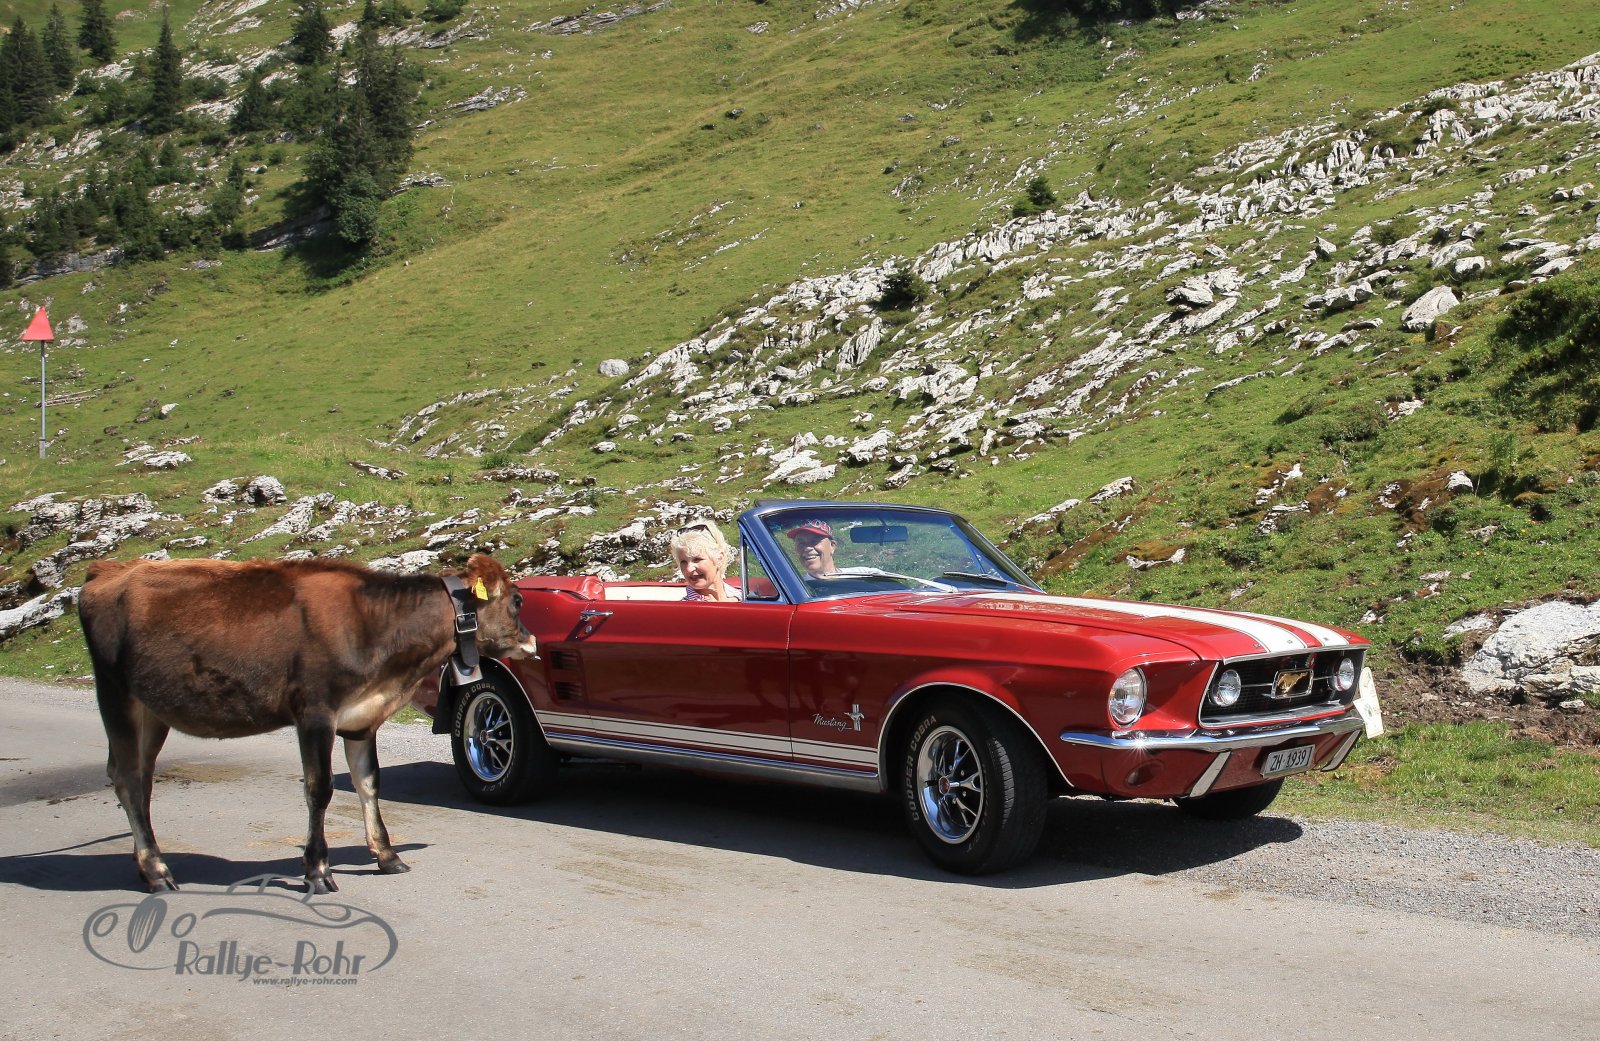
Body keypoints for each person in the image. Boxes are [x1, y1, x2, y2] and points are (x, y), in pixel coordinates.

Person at [671, 519, 739, 602]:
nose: (688, 569)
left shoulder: (743, 597)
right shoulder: (685, 608)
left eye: (697, 559)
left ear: (719, 558)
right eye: (683, 562)